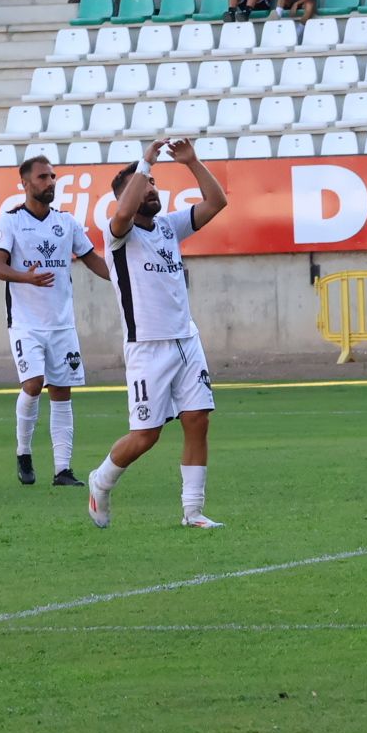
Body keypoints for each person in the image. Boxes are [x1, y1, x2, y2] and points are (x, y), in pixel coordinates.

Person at [86, 139, 228, 529]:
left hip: (186, 340)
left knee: (197, 419)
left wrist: (193, 162)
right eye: (145, 184)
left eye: (152, 183)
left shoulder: (168, 227)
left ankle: (193, 512)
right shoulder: (117, 234)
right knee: (146, 436)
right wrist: (144, 161)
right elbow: (124, 211)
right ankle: (101, 481)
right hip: (147, 348)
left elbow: (217, 204)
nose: (152, 188)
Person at [0, 154, 111, 487]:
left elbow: (92, 260)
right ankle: (24, 451)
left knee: (62, 391)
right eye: (43, 177)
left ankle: (62, 470)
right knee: (33, 383)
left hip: (62, 324)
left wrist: (124, 279)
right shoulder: (11, 220)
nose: (50, 183)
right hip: (27, 323)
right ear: (25, 183)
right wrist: (26, 278)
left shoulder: (66, 222)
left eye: (53, 177)